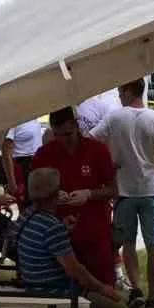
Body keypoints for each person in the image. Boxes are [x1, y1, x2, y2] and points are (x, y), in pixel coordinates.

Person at [8, 166, 130, 308]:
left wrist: (62, 228)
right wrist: (103, 289)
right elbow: (75, 271)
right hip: (55, 293)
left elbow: (33, 244)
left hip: (33, 286)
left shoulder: (26, 216)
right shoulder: (51, 227)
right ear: (56, 194)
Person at [90, 77, 154, 308]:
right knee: (153, 245)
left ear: (129, 91)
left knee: (128, 243)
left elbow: (91, 139)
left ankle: (136, 290)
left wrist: (109, 161)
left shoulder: (114, 117)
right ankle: (153, 296)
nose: (119, 96)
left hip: (124, 191)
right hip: (151, 190)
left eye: (121, 91)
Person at [31, 106, 117, 288]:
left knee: (102, 282)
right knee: (65, 285)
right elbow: (33, 195)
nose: (64, 140)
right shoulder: (44, 154)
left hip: (94, 230)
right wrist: (52, 195)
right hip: (59, 233)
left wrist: (90, 194)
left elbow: (114, 189)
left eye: (68, 134)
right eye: (58, 135)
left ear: (77, 126)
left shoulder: (96, 150)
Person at [1, 118, 43, 200]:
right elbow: (6, 152)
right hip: (23, 167)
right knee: (27, 200)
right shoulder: (14, 123)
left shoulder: (33, 117)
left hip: (36, 165)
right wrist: (12, 182)